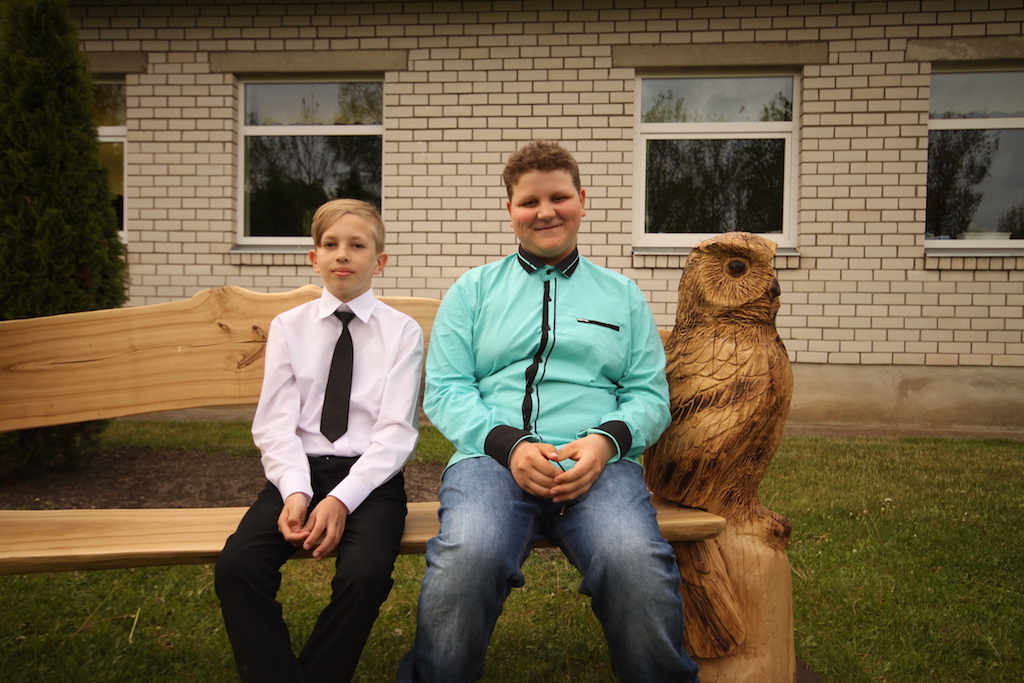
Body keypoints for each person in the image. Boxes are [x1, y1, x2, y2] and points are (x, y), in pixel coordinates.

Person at [398, 141, 700, 682]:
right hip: (490, 460)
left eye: (558, 197)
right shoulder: (472, 291)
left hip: (598, 465)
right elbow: (445, 388)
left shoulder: (622, 295)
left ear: (582, 200)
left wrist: (605, 443)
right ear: (509, 209)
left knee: (634, 562)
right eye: (529, 202)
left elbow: (649, 395)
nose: (545, 212)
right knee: (468, 558)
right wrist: (509, 446)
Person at [216, 199, 424, 683]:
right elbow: (275, 424)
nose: (342, 254)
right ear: (314, 257)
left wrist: (341, 500)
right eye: (330, 245)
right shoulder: (290, 327)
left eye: (357, 245)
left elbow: (396, 433)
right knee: (238, 567)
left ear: (380, 261)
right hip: (299, 470)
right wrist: (295, 490)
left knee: (365, 575)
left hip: (370, 480)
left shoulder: (402, 332)